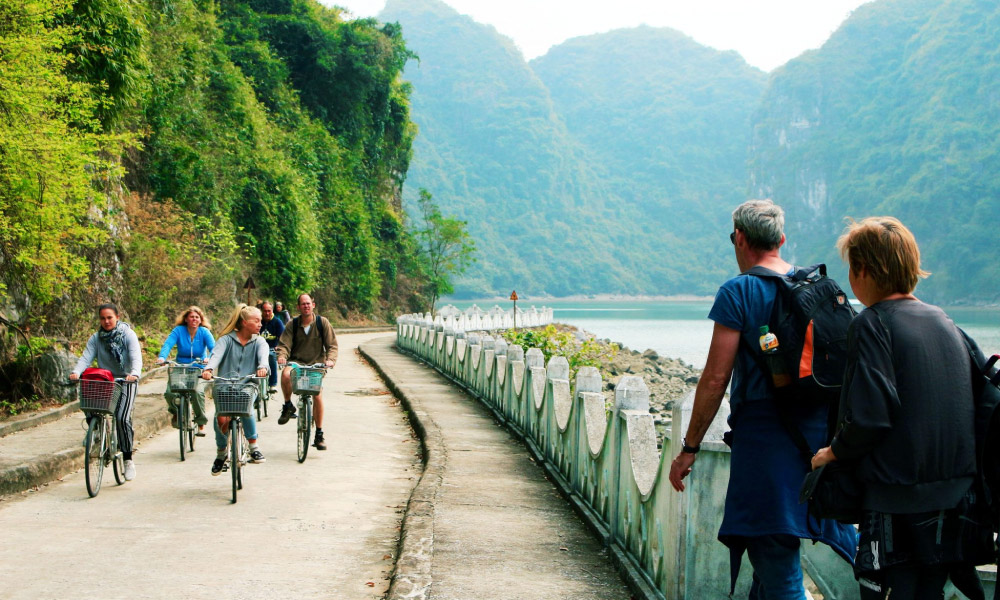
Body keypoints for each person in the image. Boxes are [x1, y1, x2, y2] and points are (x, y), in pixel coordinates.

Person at [668, 200, 855, 599]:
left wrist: (690, 447)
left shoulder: (739, 291)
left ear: (739, 237)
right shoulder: (820, 288)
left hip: (765, 439)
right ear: (781, 240)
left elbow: (716, 378)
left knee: (774, 552)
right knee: (774, 553)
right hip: (820, 438)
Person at [811, 217, 993, 600]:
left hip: (896, 501)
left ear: (862, 270)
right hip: (955, 497)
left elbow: (872, 417)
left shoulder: (872, 324)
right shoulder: (945, 322)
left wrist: (832, 452)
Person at [70, 303, 142, 481]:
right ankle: (97, 431)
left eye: (109, 317)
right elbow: (86, 357)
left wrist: (134, 373)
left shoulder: (128, 335)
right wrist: (76, 372)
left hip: (126, 381)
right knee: (89, 401)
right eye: (103, 318)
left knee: (122, 418)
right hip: (106, 381)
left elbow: (136, 357)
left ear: (117, 317)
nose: (106, 321)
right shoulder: (96, 338)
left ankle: (127, 459)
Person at [201, 304, 269, 475]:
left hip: (248, 384)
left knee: (246, 408)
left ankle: (253, 446)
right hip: (224, 384)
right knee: (221, 418)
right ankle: (221, 453)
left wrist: (262, 368)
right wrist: (209, 369)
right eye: (257, 321)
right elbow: (215, 356)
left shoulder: (260, 341)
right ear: (245, 322)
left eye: (260, 321)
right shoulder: (225, 340)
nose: (260, 324)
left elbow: (264, 358)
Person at [275, 293, 337, 450]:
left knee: (317, 393)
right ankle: (288, 405)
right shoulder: (292, 324)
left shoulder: (322, 323)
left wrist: (330, 360)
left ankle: (319, 434)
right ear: (298, 307)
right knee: (286, 374)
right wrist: (282, 357)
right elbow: (284, 345)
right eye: (303, 304)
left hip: (317, 364)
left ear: (313, 305)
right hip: (297, 362)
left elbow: (332, 346)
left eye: (308, 303)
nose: (306, 306)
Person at [155, 306, 215, 436]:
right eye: (191, 317)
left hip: (198, 368)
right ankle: (176, 412)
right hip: (180, 368)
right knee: (170, 393)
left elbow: (214, 349)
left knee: (197, 393)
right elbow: (168, 344)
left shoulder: (204, 332)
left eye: (197, 317)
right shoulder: (178, 330)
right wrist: (162, 357)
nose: (194, 319)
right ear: (186, 319)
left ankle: (200, 423)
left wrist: (208, 359)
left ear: (200, 320)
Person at [258, 301, 284, 393]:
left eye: (269, 311)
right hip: (257, 349)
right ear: (261, 311)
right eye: (265, 311)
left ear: (272, 311)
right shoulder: (258, 321)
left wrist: (278, 346)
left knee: (271, 357)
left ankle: (273, 384)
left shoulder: (277, 322)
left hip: (271, 348)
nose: (267, 313)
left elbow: (283, 338)